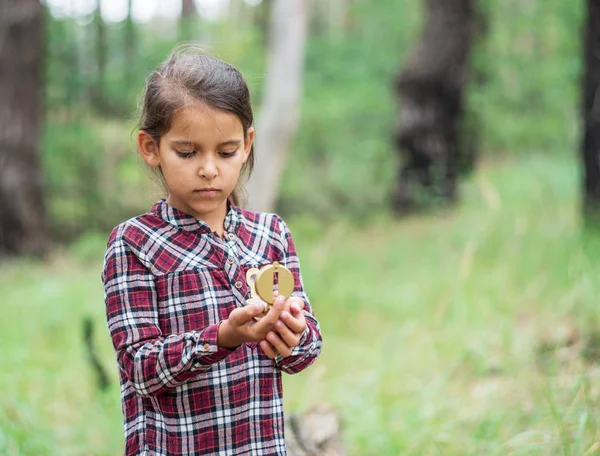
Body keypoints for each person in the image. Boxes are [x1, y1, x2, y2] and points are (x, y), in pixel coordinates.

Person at [101, 47, 322, 456]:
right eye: (187, 152)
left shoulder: (270, 234)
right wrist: (223, 337)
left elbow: (305, 351)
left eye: (226, 152)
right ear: (151, 147)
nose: (208, 169)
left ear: (247, 144)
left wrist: (293, 336)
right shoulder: (134, 244)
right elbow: (140, 369)